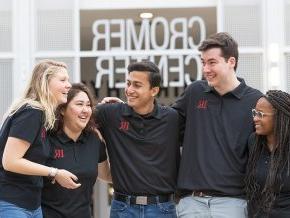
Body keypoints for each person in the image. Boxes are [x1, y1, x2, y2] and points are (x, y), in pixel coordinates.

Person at [172, 32, 263, 218]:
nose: (206, 69)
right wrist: (126, 109)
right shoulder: (195, 92)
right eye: (203, 62)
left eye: (212, 62)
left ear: (231, 61)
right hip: (191, 203)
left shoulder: (255, 101)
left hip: (234, 204)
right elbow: (163, 122)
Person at [96, 61, 181, 218]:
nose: (129, 90)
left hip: (162, 209)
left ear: (154, 90)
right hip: (123, 209)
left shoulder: (171, 119)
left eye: (137, 85)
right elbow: (77, 120)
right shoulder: (110, 114)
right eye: (128, 83)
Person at [0, 60, 80, 218]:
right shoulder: (31, 112)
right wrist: (54, 173)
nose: (69, 85)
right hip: (12, 204)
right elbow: (10, 161)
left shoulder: (43, 116)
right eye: (63, 80)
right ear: (45, 82)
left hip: (32, 205)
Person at [41, 83, 111, 218]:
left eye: (88, 105)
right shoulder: (46, 139)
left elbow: (106, 175)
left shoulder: (95, 140)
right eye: (79, 104)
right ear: (62, 109)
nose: (85, 110)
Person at [245, 90, 290, 218]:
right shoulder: (253, 142)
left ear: (279, 117)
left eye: (261, 114)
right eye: (254, 113)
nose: (255, 118)